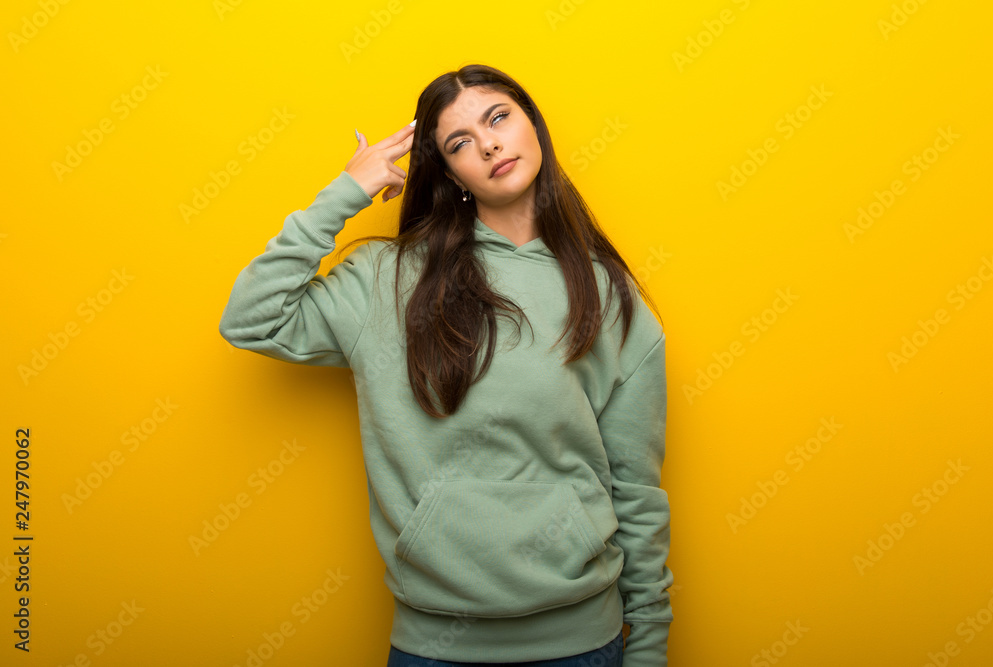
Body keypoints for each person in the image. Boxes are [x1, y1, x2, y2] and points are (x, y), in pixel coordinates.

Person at [218, 63, 674, 666]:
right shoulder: (386, 280)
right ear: (451, 174)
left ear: (534, 127)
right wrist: (346, 193)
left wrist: (649, 642)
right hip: (433, 647)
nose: (488, 144)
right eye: (460, 142)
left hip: (584, 641)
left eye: (498, 118)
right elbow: (251, 318)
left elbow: (636, 490)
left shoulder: (608, 294)